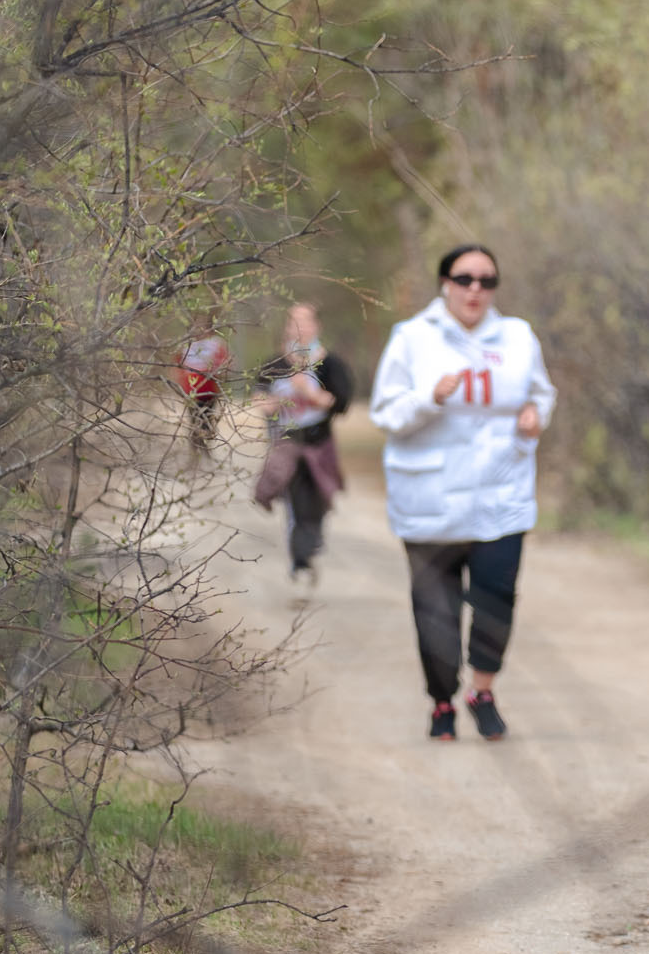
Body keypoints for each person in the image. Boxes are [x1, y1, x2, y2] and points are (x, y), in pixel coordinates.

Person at [370, 244, 555, 742]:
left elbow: (542, 393)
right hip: (432, 499)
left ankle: (483, 692)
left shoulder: (517, 337)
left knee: (497, 598)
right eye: (465, 278)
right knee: (437, 609)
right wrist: (430, 398)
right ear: (445, 283)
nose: (476, 289)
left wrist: (536, 417)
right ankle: (441, 702)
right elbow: (385, 414)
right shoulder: (412, 339)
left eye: (487, 280)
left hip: (502, 494)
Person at [251, 303, 355, 589]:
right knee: (296, 499)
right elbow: (258, 396)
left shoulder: (329, 363)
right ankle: (300, 558)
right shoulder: (277, 362)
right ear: (287, 328)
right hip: (287, 443)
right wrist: (272, 402)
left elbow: (341, 401)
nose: (299, 328)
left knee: (318, 498)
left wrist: (309, 392)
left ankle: (309, 547)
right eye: (293, 322)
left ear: (316, 326)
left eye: (305, 321)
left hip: (318, 443)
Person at [175, 314, 231, 460]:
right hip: (191, 392)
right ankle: (196, 455)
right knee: (194, 422)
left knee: (206, 422)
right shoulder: (187, 345)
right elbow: (177, 364)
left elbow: (224, 363)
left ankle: (205, 452)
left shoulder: (216, 343)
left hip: (209, 391)